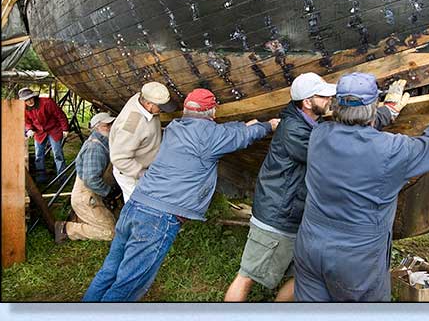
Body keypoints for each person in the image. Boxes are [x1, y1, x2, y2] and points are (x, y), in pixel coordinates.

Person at [293, 68, 429, 301]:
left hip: (309, 248)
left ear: (336, 105)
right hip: (356, 262)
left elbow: (354, 129)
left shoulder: (319, 135)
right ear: (372, 107)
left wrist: (388, 110)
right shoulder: (392, 150)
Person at [224, 72, 409, 302]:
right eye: (323, 96)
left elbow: (346, 133)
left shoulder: (315, 123)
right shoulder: (294, 130)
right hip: (276, 216)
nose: (329, 100)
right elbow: (343, 148)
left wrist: (385, 111)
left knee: (304, 279)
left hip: (298, 217)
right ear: (307, 102)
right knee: (247, 276)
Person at [83, 88, 280, 302]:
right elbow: (241, 136)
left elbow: (219, 132)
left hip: (135, 206)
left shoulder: (176, 127)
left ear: (186, 110)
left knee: (109, 272)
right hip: (158, 219)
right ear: (213, 112)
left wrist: (241, 126)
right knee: (128, 285)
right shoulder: (211, 137)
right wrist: (268, 125)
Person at [54, 112, 117, 243]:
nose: (111, 127)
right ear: (97, 127)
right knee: (110, 232)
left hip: (93, 194)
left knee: (115, 221)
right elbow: (91, 179)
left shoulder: (104, 143)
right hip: (86, 197)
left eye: (111, 124)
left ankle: (80, 218)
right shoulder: (95, 147)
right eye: (107, 125)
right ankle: (66, 228)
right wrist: (108, 192)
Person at [109, 81, 177, 203]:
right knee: (138, 205)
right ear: (148, 104)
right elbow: (119, 158)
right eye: (160, 108)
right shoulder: (131, 125)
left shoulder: (141, 97)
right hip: (130, 173)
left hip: (147, 163)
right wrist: (141, 173)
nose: (162, 111)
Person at [19, 87, 69, 183]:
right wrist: (29, 129)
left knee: (58, 154)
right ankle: (41, 178)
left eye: (30, 98)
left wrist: (65, 129)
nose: (29, 101)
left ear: (33, 96)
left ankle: (62, 178)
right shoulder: (24, 109)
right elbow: (27, 121)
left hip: (53, 130)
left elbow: (60, 115)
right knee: (39, 155)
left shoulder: (47, 102)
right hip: (39, 132)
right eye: (26, 100)